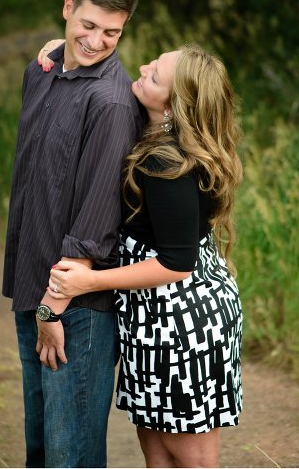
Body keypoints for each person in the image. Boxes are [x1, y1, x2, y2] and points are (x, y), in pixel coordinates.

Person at [46, 44, 243, 468]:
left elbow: (176, 262)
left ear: (174, 108)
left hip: (181, 325)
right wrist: (59, 50)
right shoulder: (158, 138)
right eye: (152, 64)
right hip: (155, 320)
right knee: (156, 451)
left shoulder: (164, 162)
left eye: (154, 76)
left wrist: (89, 281)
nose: (142, 69)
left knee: (190, 458)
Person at [2, 0, 142, 467]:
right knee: (40, 450)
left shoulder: (110, 103)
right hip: (30, 282)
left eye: (112, 32)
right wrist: (36, 303)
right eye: (88, 24)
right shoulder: (40, 74)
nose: (97, 40)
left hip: (72, 308)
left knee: (71, 455)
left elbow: (95, 224)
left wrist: (52, 309)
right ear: (67, 7)